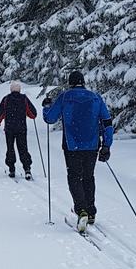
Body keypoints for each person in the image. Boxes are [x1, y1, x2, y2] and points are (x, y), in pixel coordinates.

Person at [42, 70, 113, 231]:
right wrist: (107, 144)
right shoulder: (95, 97)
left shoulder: (65, 97)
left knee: (74, 177)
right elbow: (107, 121)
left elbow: (50, 118)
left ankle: (81, 210)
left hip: (71, 145)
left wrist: (46, 106)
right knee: (88, 176)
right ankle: (91, 211)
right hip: (92, 145)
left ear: (70, 83)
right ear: (83, 82)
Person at [0, 81, 38, 179]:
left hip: (9, 129)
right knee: (23, 149)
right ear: (19, 89)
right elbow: (32, 113)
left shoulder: (6, 99)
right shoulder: (24, 99)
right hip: (21, 128)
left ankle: (12, 169)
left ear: (11, 90)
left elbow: (0, 113)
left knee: (10, 148)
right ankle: (27, 169)